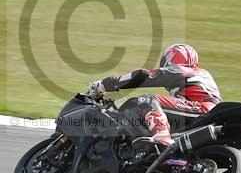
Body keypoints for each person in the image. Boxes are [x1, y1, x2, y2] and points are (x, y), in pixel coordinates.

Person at [87, 44, 222, 146]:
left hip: (203, 109)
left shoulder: (183, 70)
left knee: (147, 99)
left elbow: (145, 76)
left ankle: (162, 135)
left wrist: (106, 84)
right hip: (205, 113)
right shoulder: (200, 74)